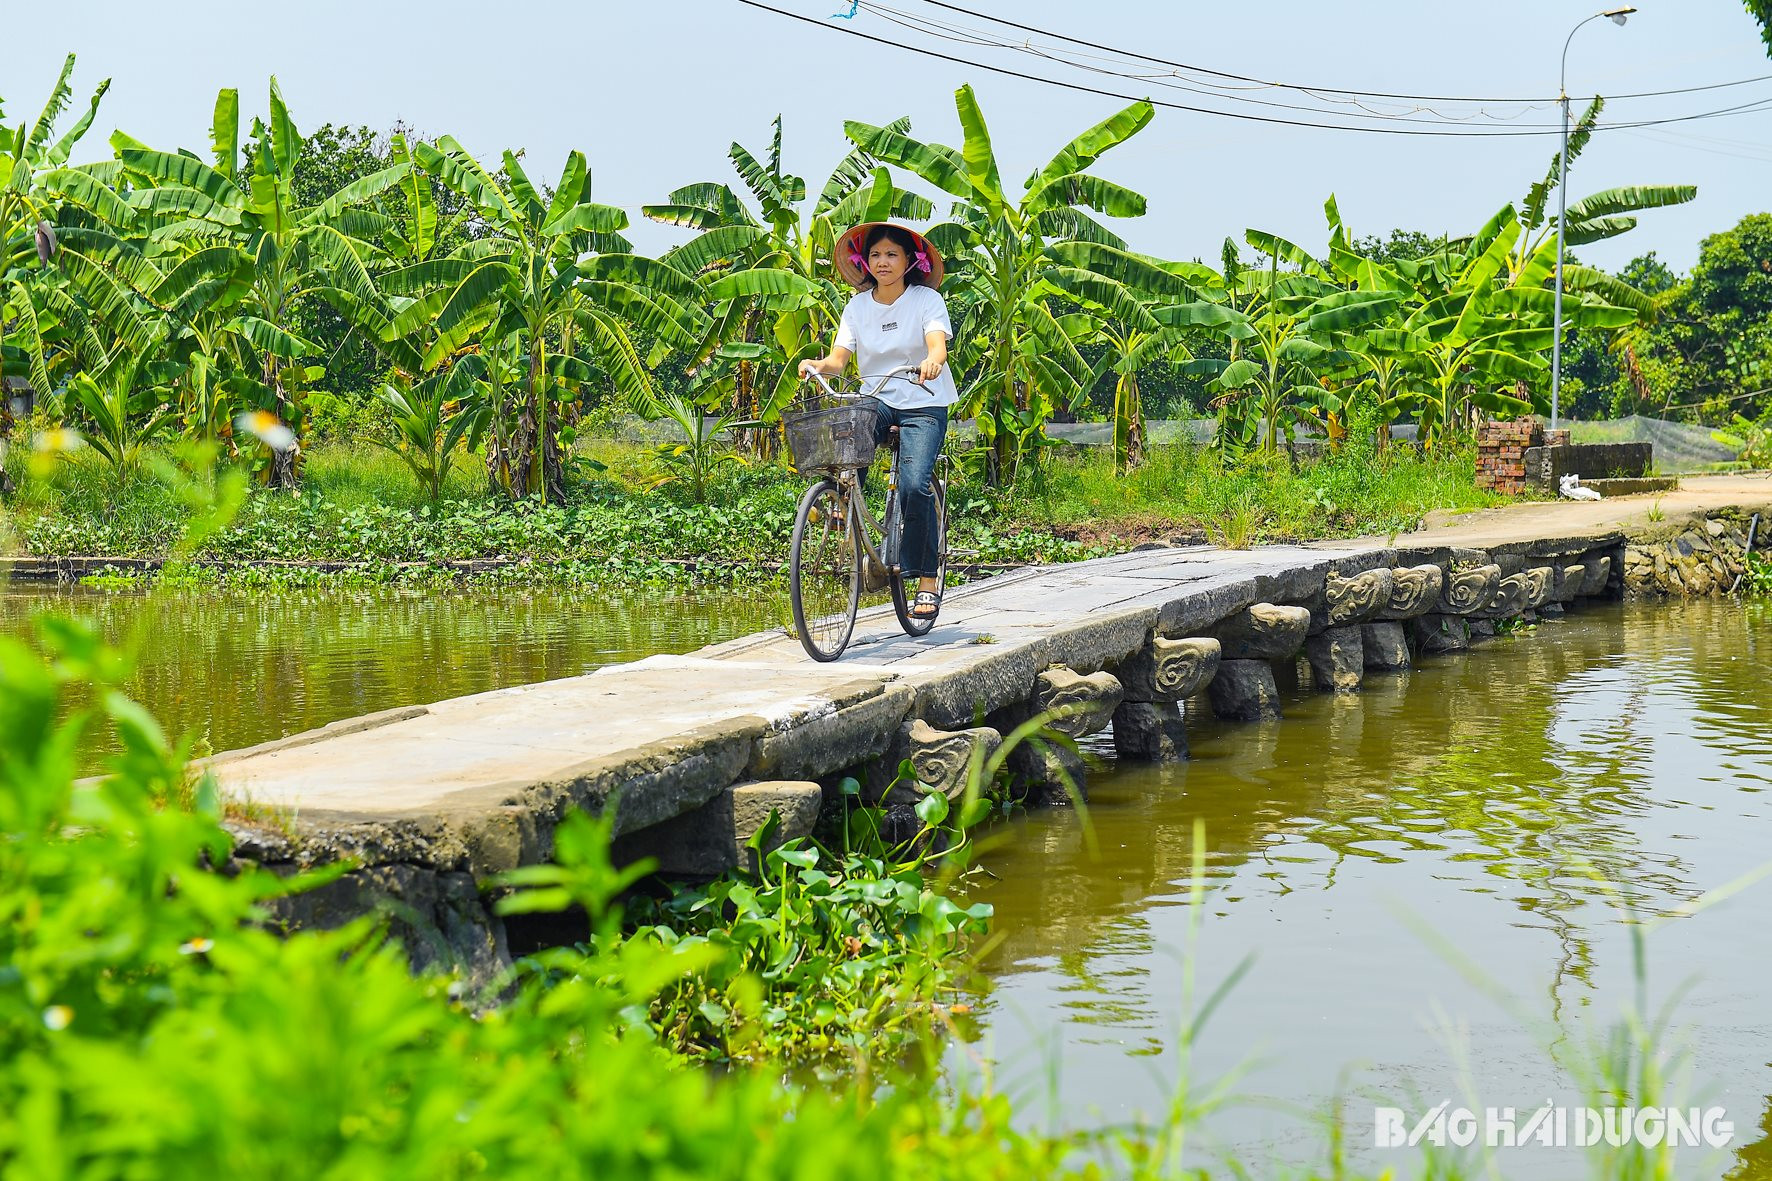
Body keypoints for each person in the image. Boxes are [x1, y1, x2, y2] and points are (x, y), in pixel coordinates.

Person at [797, 222, 954, 618]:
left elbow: (938, 346)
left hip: (923, 400)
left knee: (915, 485)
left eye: (891, 255)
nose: (882, 262)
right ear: (864, 262)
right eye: (875, 255)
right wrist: (819, 366)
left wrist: (933, 363)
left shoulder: (926, 300)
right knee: (853, 427)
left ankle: (926, 581)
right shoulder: (857, 307)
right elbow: (838, 359)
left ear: (909, 261)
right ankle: (840, 500)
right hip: (879, 397)